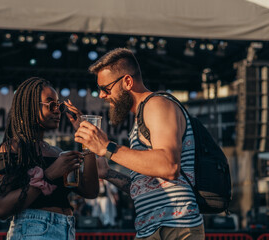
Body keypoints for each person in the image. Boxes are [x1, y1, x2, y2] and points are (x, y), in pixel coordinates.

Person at [73, 48, 204, 239]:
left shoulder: (156, 104)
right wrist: (107, 173)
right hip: (152, 229)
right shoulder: (140, 120)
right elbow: (145, 186)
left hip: (175, 226)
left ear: (127, 81)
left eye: (105, 88)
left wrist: (107, 147)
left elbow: (169, 165)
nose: (101, 95)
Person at [0, 77, 99, 240]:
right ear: (30, 108)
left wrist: (89, 144)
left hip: (66, 230)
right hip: (33, 231)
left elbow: (90, 191)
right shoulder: (13, 149)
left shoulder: (56, 152)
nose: (58, 110)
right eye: (51, 105)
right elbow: (1, 208)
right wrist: (49, 175)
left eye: (59, 106)